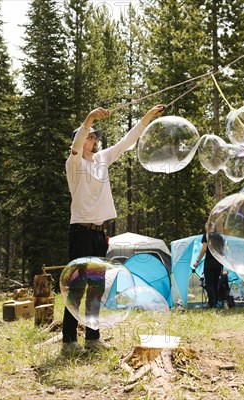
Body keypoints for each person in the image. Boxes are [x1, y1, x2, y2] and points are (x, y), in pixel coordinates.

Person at [63, 104, 165, 354]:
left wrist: (147, 117)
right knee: (78, 287)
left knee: (97, 286)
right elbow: (76, 145)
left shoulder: (101, 160)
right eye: (90, 135)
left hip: (99, 233)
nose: (94, 139)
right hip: (80, 231)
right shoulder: (74, 164)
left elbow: (126, 142)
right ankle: (68, 341)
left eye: (96, 136)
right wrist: (88, 118)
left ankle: (92, 338)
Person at [193, 224, 224, 308]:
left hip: (209, 263)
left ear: (207, 227)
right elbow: (222, 251)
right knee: (215, 284)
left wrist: (197, 261)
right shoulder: (220, 237)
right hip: (218, 263)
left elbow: (204, 249)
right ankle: (214, 303)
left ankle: (212, 304)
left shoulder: (206, 235)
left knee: (209, 284)